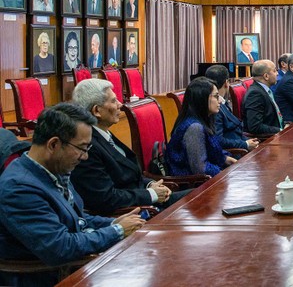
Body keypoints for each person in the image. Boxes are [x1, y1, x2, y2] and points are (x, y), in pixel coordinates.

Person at [0, 104, 145, 286]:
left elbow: (77, 219)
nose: (85, 157)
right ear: (53, 144)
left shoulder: (53, 169)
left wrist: (113, 223)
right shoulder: (19, 188)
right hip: (47, 278)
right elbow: (60, 248)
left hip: (73, 269)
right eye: (82, 148)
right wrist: (116, 231)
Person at [70, 79, 190, 215]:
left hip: (144, 200)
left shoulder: (104, 133)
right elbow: (105, 198)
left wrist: (150, 184)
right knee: (200, 204)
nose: (120, 104)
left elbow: (128, 175)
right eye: (114, 101)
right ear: (97, 110)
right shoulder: (87, 147)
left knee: (202, 195)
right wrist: (151, 194)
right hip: (135, 213)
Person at [166, 77, 236, 177]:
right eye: (216, 96)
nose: (220, 101)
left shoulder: (204, 120)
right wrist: (226, 176)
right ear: (202, 99)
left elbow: (212, 153)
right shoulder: (194, 128)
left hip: (211, 178)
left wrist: (227, 159)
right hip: (194, 185)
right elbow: (200, 169)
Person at [205, 65, 259, 152]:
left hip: (242, 144)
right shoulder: (214, 108)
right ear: (226, 83)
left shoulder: (223, 102)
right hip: (235, 153)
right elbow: (218, 140)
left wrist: (247, 141)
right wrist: (245, 144)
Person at [243, 60, 284, 137]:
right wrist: (281, 131)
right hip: (269, 140)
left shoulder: (265, 89)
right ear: (266, 76)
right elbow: (255, 126)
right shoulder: (255, 94)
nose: (277, 74)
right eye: (275, 71)